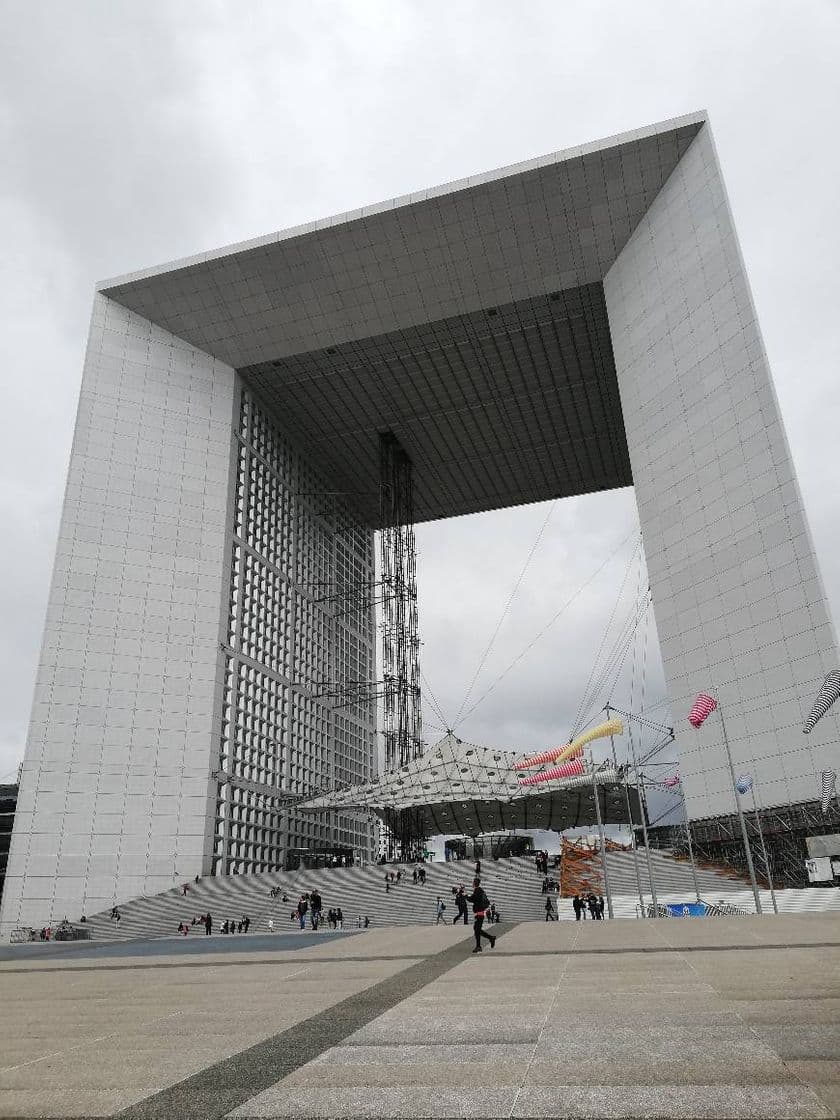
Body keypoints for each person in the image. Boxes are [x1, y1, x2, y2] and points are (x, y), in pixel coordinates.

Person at [466, 877, 495, 954]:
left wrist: (466, 896)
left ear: (474, 883)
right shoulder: (480, 890)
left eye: (472, 882)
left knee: (477, 929)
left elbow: (472, 899)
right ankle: (491, 938)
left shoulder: (477, 890)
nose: (472, 883)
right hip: (479, 913)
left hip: (479, 913)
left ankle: (479, 946)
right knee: (477, 929)